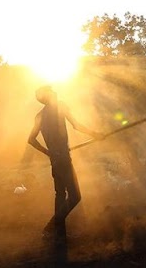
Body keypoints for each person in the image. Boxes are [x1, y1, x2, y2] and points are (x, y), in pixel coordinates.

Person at [27, 86, 102, 237]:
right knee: (75, 196)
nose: (55, 92)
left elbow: (31, 140)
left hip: (56, 160)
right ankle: (51, 226)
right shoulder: (60, 106)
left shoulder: (39, 116)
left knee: (60, 194)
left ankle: (58, 233)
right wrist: (95, 134)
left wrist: (49, 153)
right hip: (63, 160)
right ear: (47, 96)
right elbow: (76, 125)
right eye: (51, 91)